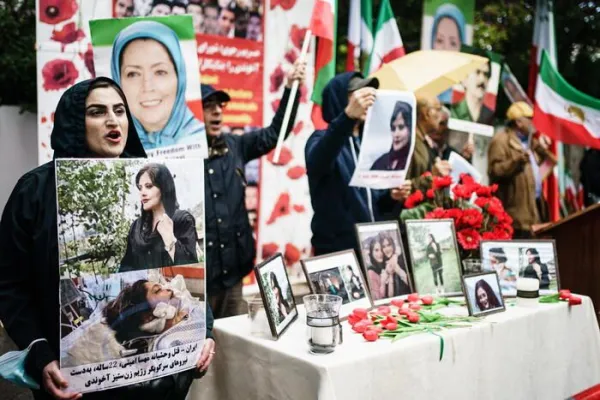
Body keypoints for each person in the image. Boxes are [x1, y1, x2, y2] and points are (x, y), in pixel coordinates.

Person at [0, 78, 215, 400]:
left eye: (119, 110)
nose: (113, 120)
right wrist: (39, 353)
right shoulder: (35, 191)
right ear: (75, 122)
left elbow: (191, 268)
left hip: (158, 385)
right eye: (97, 112)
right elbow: (9, 284)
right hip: (73, 385)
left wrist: (204, 332)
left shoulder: (160, 206)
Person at [203, 60, 304, 319]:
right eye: (208, 106)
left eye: (220, 106)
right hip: (201, 282)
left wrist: (291, 89)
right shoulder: (181, 156)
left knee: (232, 340)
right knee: (203, 343)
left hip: (234, 275)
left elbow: (275, 133)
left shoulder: (235, 145)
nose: (217, 111)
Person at [306, 72, 402, 256]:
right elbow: (318, 162)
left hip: (372, 250)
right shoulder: (320, 138)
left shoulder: (370, 143)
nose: (366, 100)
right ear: (339, 99)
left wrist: (392, 196)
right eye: (357, 94)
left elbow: (374, 201)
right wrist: (347, 117)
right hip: (337, 251)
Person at [110, 20, 205, 150]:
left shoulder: (205, 142)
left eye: (160, 72)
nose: (147, 87)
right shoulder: (107, 148)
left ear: (179, 78)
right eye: (133, 74)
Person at [488, 102, 554, 238]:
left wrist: (541, 148)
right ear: (518, 122)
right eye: (529, 118)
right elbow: (495, 171)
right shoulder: (501, 141)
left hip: (534, 211)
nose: (533, 122)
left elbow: (549, 163)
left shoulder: (530, 142)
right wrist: (515, 161)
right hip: (514, 216)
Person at [119, 163, 199, 272]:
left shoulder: (182, 220)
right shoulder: (136, 227)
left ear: (163, 187)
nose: (142, 193)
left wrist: (170, 239)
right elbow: (126, 265)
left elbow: (191, 268)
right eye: (140, 188)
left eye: (148, 186)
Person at [370, 101, 412, 171]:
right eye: (393, 128)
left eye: (401, 127)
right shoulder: (380, 163)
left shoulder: (416, 161)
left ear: (411, 129)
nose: (396, 134)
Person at [451, 58, 494, 125]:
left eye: (486, 74)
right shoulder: (453, 112)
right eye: (477, 72)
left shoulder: (491, 116)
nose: (482, 79)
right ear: (464, 78)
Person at [379, 233, 411, 297]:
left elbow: (411, 284)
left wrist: (397, 268)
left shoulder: (402, 259)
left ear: (393, 245)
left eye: (389, 245)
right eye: (384, 247)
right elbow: (389, 296)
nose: (387, 249)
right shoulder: (384, 265)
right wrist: (389, 274)